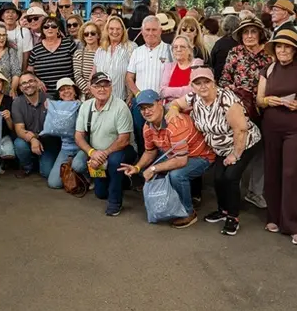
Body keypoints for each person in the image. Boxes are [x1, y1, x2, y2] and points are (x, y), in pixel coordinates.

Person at [168, 67, 262, 236]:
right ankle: (223, 210)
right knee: (218, 177)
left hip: (243, 143)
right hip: (220, 146)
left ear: (214, 83)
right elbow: (175, 103)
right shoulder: (194, 97)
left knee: (231, 177)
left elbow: (240, 129)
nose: (203, 86)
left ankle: (233, 217)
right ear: (192, 85)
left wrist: (235, 154)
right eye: (198, 83)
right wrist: (174, 110)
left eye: (207, 82)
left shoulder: (226, 99)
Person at [256, 28, 297, 245]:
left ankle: (295, 225)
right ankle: (274, 217)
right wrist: (268, 101)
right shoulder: (269, 68)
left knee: (292, 172)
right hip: (271, 126)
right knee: (272, 170)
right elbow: (259, 100)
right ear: (274, 49)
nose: (283, 50)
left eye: (288, 47)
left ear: (295, 50)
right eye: (279, 46)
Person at [119, 89, 215, 228]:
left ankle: (189, 213)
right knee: (150, 171)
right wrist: (137, 167)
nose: (146, 111)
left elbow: (181, 161)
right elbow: (150, 152)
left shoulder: (175, 123)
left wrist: (153, 168)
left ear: (160, 103)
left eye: (149, 106)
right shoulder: (147, 126)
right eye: (142, 109)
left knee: (176, 175)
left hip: (201, 156)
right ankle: (173, 204)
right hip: (177, 154)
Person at [219, 16, 272, 208]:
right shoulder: (235, 53)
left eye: (253, 32)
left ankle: (255, 191)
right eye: (246, 32)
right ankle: (233, 189)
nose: (249, 36)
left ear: (260, 34)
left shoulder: (268, 54)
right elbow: (224, 80)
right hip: (238, 109)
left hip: (262, 109)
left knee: (261, 152)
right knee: (236, 147)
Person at [71, 72, 135, 216]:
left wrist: (104, 154)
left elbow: (124, 139)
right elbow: (79, 136)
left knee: (114, 161)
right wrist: (92, 153)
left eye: (106, 85)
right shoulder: (85, 106)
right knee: (100, 193)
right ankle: (123, 181)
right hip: (96, 151)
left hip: (120, 150)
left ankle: (115, 203)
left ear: (111, 87)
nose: (102, 89)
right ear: (90, 88)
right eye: (97, 86)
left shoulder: (120, 107)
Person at [126, 15, 173, 147]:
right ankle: (141, 166)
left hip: (162, 103)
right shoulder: (137, 51)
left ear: (160, 31)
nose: (150, 33)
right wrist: (138, 94)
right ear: (142, 31)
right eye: (147, 30)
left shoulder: (170, 50)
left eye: (154, 30)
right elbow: (129, 77)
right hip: (140, 103)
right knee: (142, 136)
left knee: (164, 138)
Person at [12, 71, 58, 179]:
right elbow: (19, 130)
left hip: (48, 140)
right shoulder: (17, 102)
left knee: (46, 173)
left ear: (37, 83)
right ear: (21, 88)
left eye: (31, 81)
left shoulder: (50, 99)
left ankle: (40, 161)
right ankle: (27, 166)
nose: (28, 85)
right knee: (19, 144)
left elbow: (56, 126)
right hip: (28, 139)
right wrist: (33, 139)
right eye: (24, 83)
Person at [46, 78, 83, 189]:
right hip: (66, 149)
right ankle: (76, 176)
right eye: (62, 90)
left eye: (68, 88)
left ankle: (86, 177)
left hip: (83, 148)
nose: (66, 91)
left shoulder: (84, 106)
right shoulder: (56, 108)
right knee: (54, 183)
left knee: (78, 166)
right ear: (59, 94)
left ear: (75, 91)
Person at [28, 16, 76, 99]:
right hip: (45, 95)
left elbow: (77, 67)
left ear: (58, 29)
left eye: (53, 26)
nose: (50, 29)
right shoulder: (36, 48)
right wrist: (37, 80)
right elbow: (29, 71)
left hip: (67, 95)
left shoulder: (68, 44)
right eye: (46, 27)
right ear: (42, 29)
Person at [93, 16, 137, 102]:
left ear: (123, 30)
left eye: (118, 29)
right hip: (101, 99)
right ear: (107, 30)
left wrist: (131, 96)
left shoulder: (131, 47)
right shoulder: (101, 49)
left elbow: (135, 75)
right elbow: (93, 74)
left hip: (122, 99)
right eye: (111, 29)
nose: (115, 32)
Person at [160, 35, 203, 105]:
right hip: (169, 110)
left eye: (182, 47)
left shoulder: (197, 63)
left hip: (190, 109)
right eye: (175, 47)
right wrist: (185, 92)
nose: (178, 49)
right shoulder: (169, 66)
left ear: (189, 50)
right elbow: (162, 92)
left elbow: (194, 90)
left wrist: (171, 93)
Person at [0, 2, 33, 71]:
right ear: (2, 16)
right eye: (7, 12)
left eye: (13, 12)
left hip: (18, 72)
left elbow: (26, 56)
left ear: (17, 16)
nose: (10, 15)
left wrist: (22, 72)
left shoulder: (24, 32)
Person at [73, 21, 100, 99]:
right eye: (86, 34)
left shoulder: (104, 52)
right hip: (86, 96)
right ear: (83, 37)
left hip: (103, 92)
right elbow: (77, 76)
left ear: (98, 35)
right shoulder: (78, 53)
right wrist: (90, 91)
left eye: (93, 33)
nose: (89, 36)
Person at [210, 14, 241, 80]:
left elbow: (211, 61)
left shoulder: (219, 43)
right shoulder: (241, 43)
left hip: (219, 77)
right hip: (236, 78)